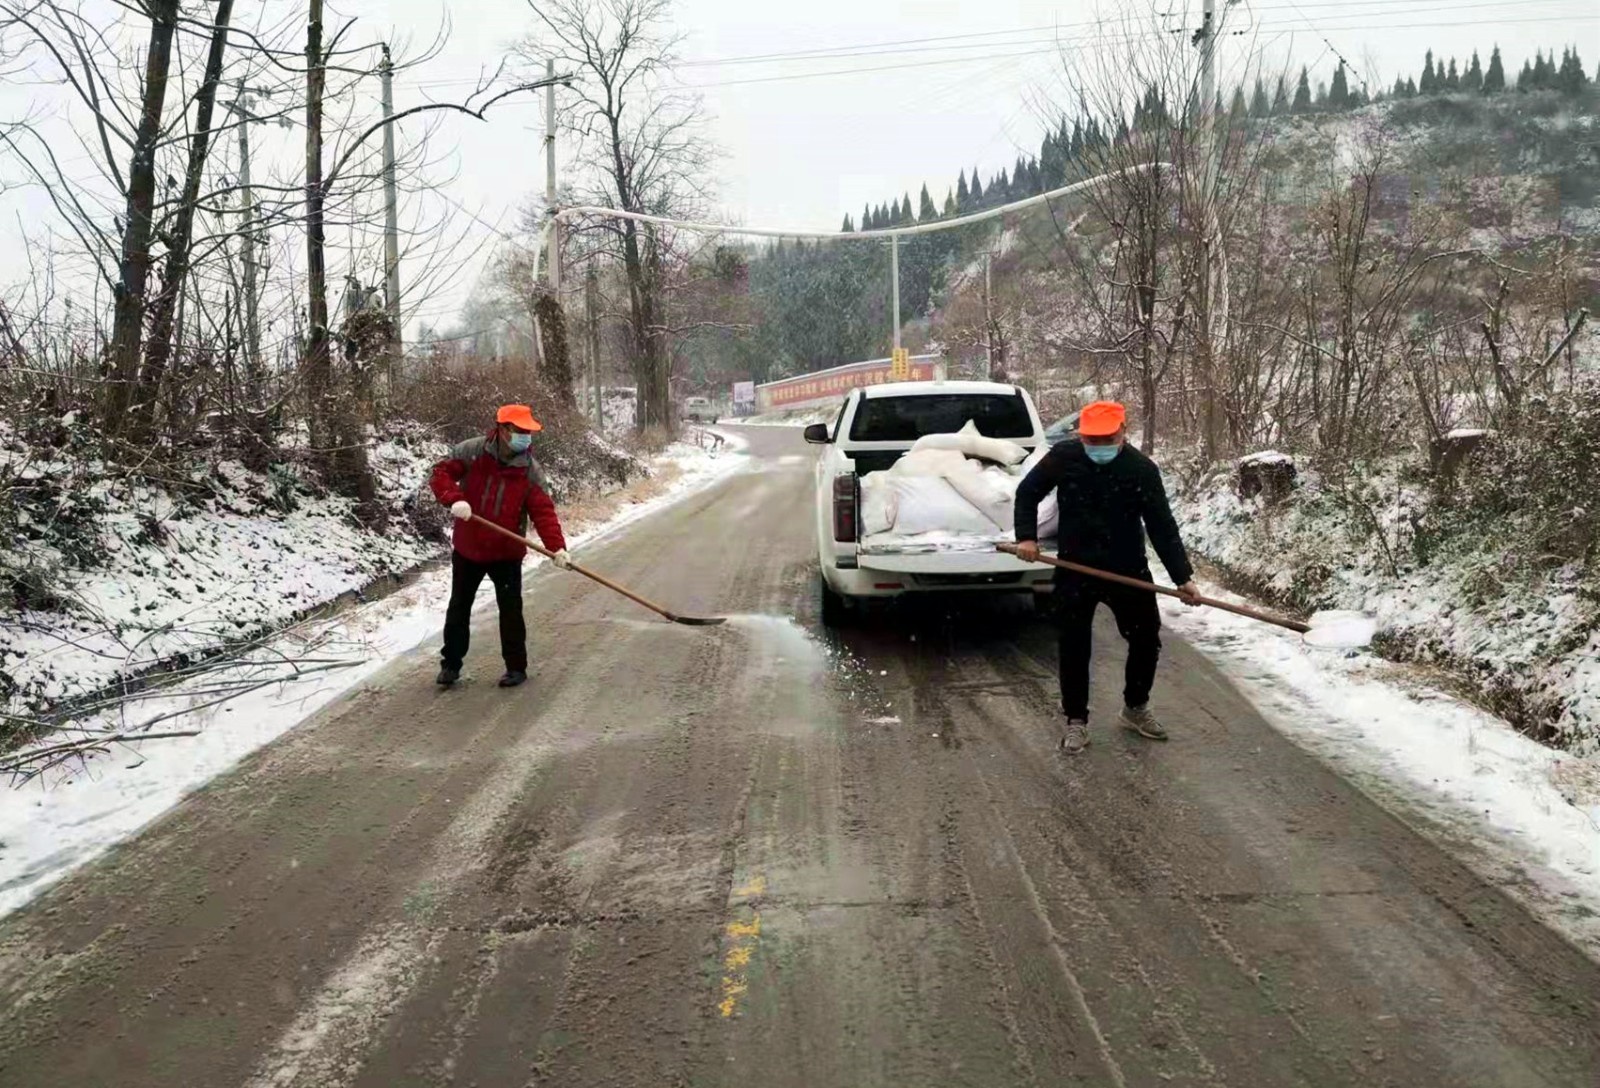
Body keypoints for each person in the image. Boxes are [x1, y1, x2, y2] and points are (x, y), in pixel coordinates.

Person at [1013, 401, 1201, 753]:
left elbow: (1161, 525)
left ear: (1123, 432)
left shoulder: (1141, 469)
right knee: (1073, 645)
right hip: (1075, 568)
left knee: (1146, 641)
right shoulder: (1065, 457)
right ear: (1081, 436)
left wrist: (1182, 577)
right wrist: (1027, 537)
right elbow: (1028, 493)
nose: (1099, 447)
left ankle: (1135, 707)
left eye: (1106, 439)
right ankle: (1076, 721)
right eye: (1091, 440)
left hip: (1127, 570)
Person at [429, 404, 573, 689]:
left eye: (528, 432)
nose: (526, 437)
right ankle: (451, 665)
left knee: (511, 610)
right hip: (468, 549)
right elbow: (440, 474)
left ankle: (516, 668)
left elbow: (543, 512)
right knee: (459, 608)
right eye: (520, 431)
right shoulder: (471, 452)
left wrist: (557, 548)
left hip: (507, 553)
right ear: (503, 430)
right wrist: (453, 498)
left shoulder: (530, 470)